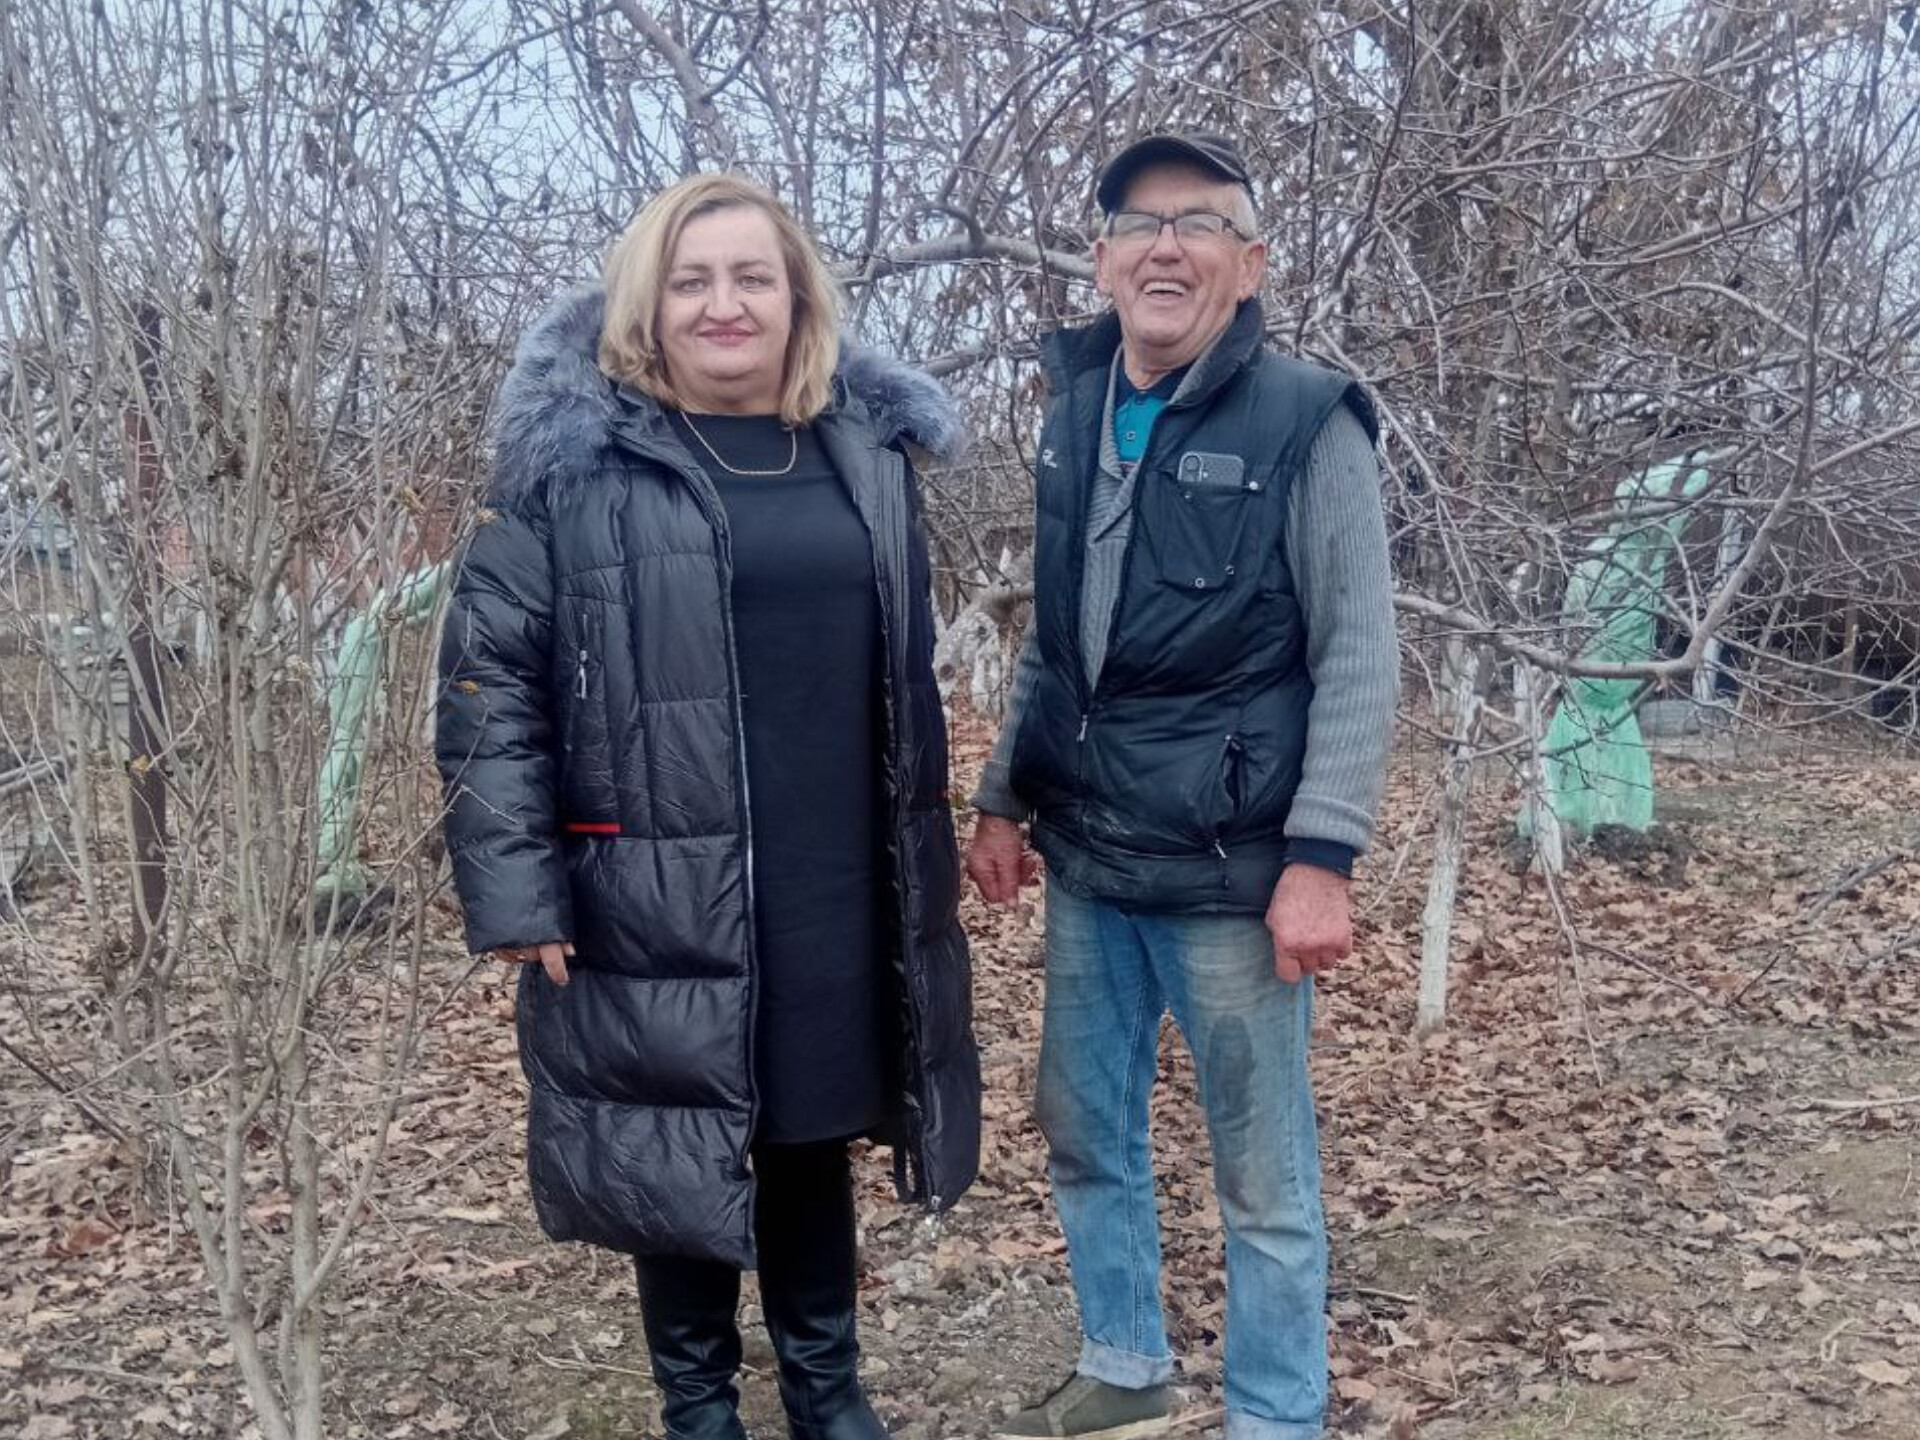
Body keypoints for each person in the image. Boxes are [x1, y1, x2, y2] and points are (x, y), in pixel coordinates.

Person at [436, 173, 980, 1440]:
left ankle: (828, 1392)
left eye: (751, 277)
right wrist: (517, 889)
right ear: (648, 304)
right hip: (650, 869)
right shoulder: (578, 466)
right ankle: (698, 1409)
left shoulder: (865, 454)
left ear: (797, 299)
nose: (723, 304)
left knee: (809, 1121)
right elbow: (487, 684)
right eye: (691, 281)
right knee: (676, 1134)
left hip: (836, 867)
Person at [967, 134, 1398, 1440]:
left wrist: (1322, 858)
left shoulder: (1307, 420)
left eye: (1199, 222)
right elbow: (1053, 637)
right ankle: (1124, 1364)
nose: (1166, 246)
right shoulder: (1071, 409)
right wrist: (1002, 795)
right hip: (1090, 862)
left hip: (1230, 873)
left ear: (1248, 264)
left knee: (1262, 1178)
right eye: (1138, 224)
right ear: (1101, 260)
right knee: (1084, 1131)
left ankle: (1276, 1416)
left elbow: (1361, 652)